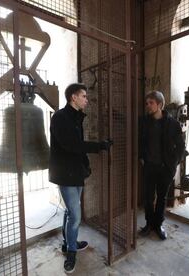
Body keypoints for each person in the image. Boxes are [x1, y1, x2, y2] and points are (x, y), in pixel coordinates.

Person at [49, 83, 113, 273]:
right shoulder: (60, 117)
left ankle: (68, 242)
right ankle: (71, 252)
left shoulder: (76, 118)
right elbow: (71, 145)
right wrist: (99, 145)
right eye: (83, 96)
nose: (87, 99)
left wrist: (85, 165)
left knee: (71, 212)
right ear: (73, 98)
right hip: (65, 173)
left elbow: (76, 148)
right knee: (76, 216)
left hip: (75, 172)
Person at [139, 91, 185, 240]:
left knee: (161, 198)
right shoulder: (144, 121)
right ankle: (148, 224)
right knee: (147, 197)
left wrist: (173, 164)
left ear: (160, 104)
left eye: (151, 103)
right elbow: (140, 141)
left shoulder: (173, 124)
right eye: (147, 103)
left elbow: (181, 147)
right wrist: (141, 157)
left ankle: (158, 225)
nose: (148, 106)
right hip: (149, 167)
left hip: (165, 168)